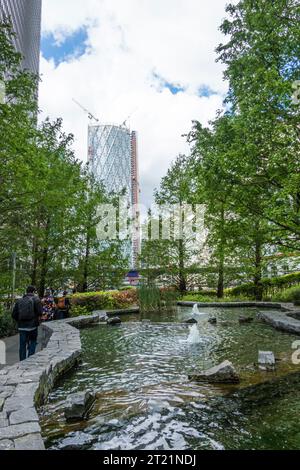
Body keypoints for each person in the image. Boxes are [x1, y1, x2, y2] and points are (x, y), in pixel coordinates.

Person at [12, 286, 43, 361]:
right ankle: (30, 360)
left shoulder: (19, 301)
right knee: (33, 342)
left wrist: (19, 320)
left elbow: (13, 314)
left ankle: (22, 362)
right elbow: (40, 312)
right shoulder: (36, 299)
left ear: (26, 291)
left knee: (22, 345)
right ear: (33, 292)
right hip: (33, 326)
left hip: (22, 326)